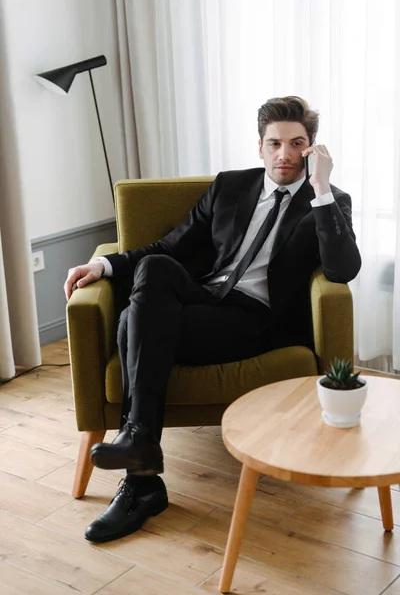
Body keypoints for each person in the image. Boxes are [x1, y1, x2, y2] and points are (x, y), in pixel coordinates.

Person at [64, 96, 361, 543]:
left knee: (130, 324)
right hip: (204, 299)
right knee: (155, 270)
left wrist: (321, 189)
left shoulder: (330, 201)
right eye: (274, 143)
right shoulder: (229, 187)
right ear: (259, 146)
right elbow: (168, 248)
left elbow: (342, 270)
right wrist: (103, 267)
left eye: (297, 144)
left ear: (312, 149)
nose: (285, 154)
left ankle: (140, 480)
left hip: (256, 321)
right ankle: (141, 454)